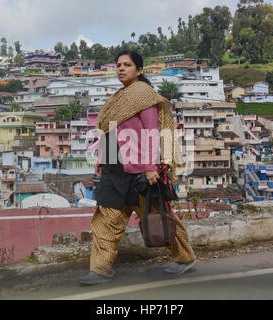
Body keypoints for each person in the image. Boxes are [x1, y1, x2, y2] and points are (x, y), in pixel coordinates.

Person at [79, 50, 196, 286]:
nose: (121, 68)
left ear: (139, 70)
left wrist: (151, 167)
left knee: (157, 216)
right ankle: (100, 269)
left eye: (127, 65)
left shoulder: (144, 96)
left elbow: (152, 133)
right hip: (114, 170)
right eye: (119, 65)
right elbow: (109, 132)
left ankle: (185, 258)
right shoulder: (118, 98)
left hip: (140, 170)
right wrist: (102, 160)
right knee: (106, 218)